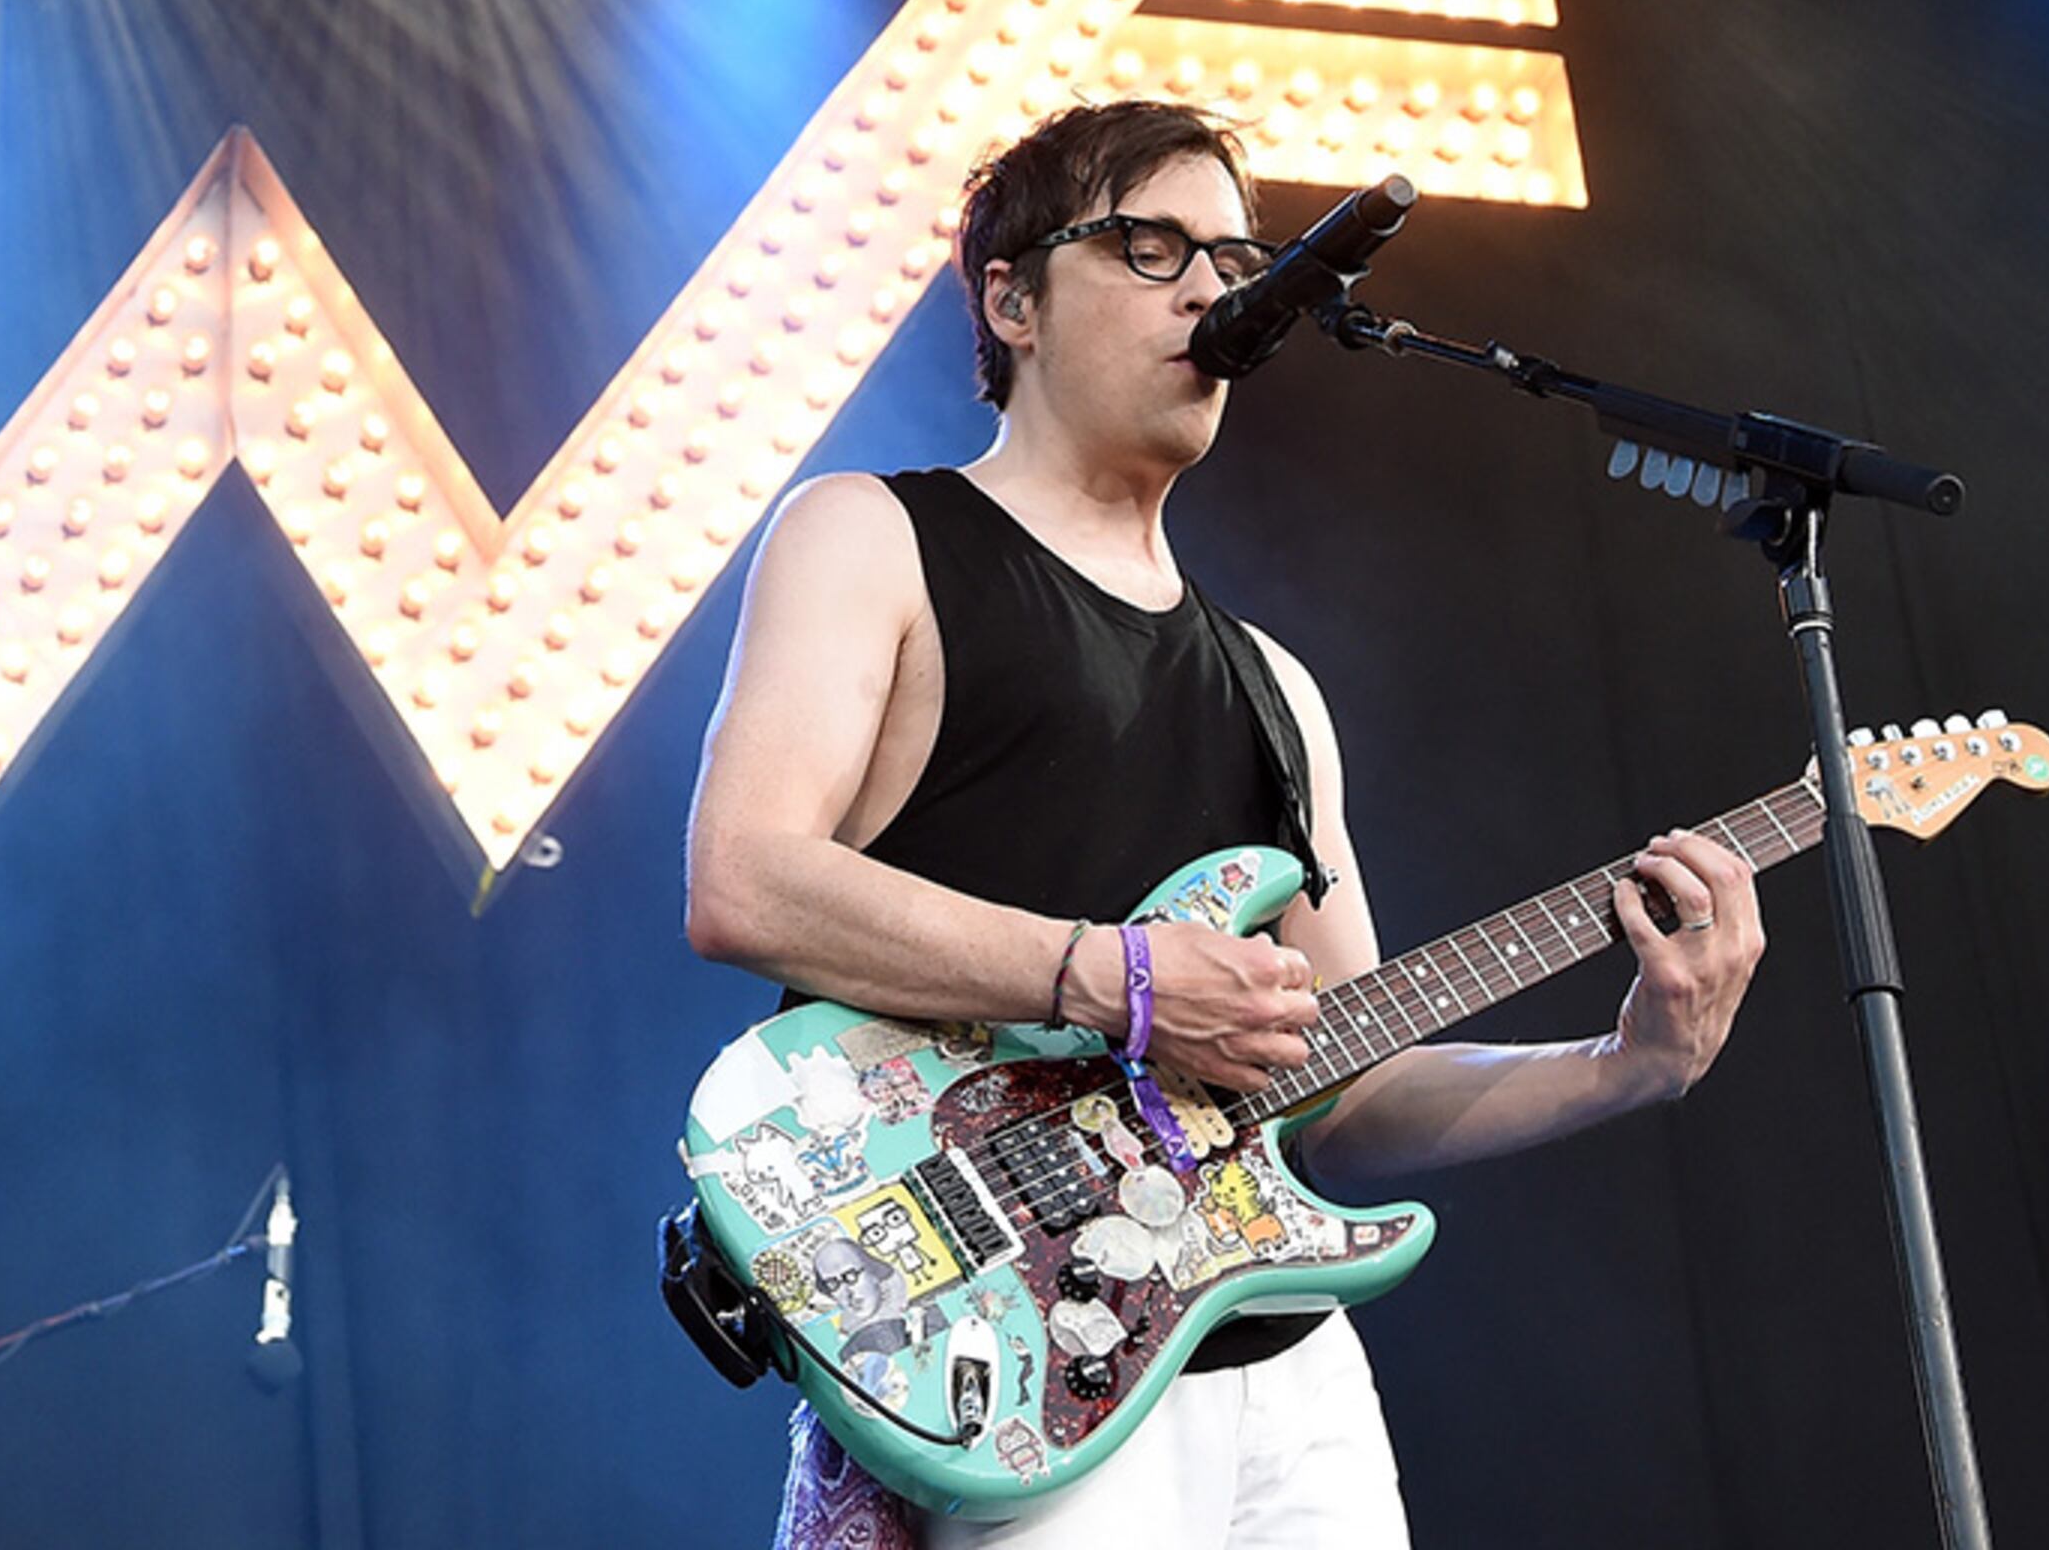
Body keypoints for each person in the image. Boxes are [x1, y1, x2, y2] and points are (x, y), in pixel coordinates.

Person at [679, 101, 1769, 1549]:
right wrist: (1116, 979)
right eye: (1152, 247)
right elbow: (743, 878)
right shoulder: (875, 535)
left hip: (1285, 1368)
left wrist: (1630, 1063)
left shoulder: (1279, 691)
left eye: (1235, 258)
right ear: (1009, 299)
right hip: (1011, 1366)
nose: (1214, 290)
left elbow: (1349, 1091)